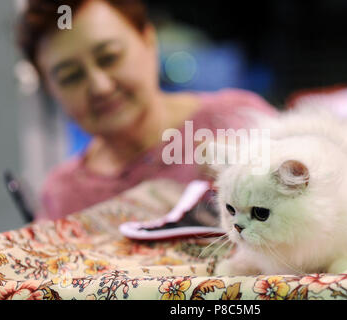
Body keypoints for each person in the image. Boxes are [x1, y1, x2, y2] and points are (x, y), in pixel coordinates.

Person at [16, 0, 277, 221]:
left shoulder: (236, 122)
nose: (100, 87)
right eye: (71, 76)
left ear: (148, 40)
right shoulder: (65, 197)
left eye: (110, 57)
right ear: (51, 90)